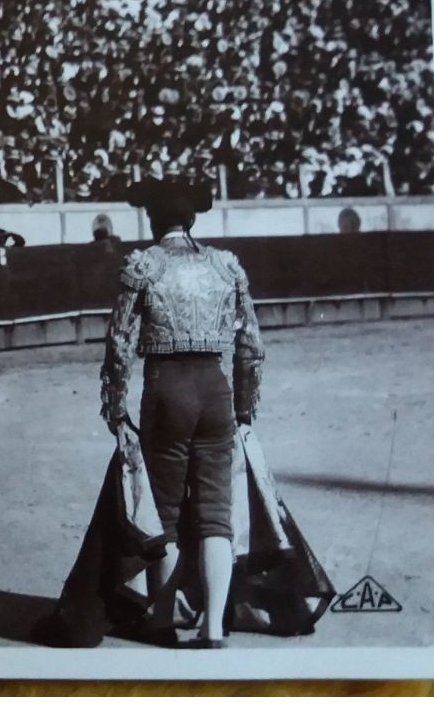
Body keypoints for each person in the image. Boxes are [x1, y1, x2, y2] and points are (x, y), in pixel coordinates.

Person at [87, 180, 266, 648]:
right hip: (215, 390)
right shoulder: (226, 267)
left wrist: (115, 408)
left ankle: (162, 619)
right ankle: (213, 628)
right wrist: (245, 406)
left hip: (166, 391)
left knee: (163, 512)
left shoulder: (144, 265)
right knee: (215, 514)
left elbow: (119, 344)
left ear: (152, 220)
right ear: (191, 221)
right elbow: (251, 346)